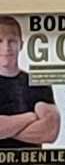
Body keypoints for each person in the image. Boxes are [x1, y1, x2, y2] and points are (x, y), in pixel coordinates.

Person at [0, 16, 61, 148]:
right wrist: (30, 117)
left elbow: (50, 132)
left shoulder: (38, 83)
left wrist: (6, 128)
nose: (6, 48)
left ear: (21, 44)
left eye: (12, 41)